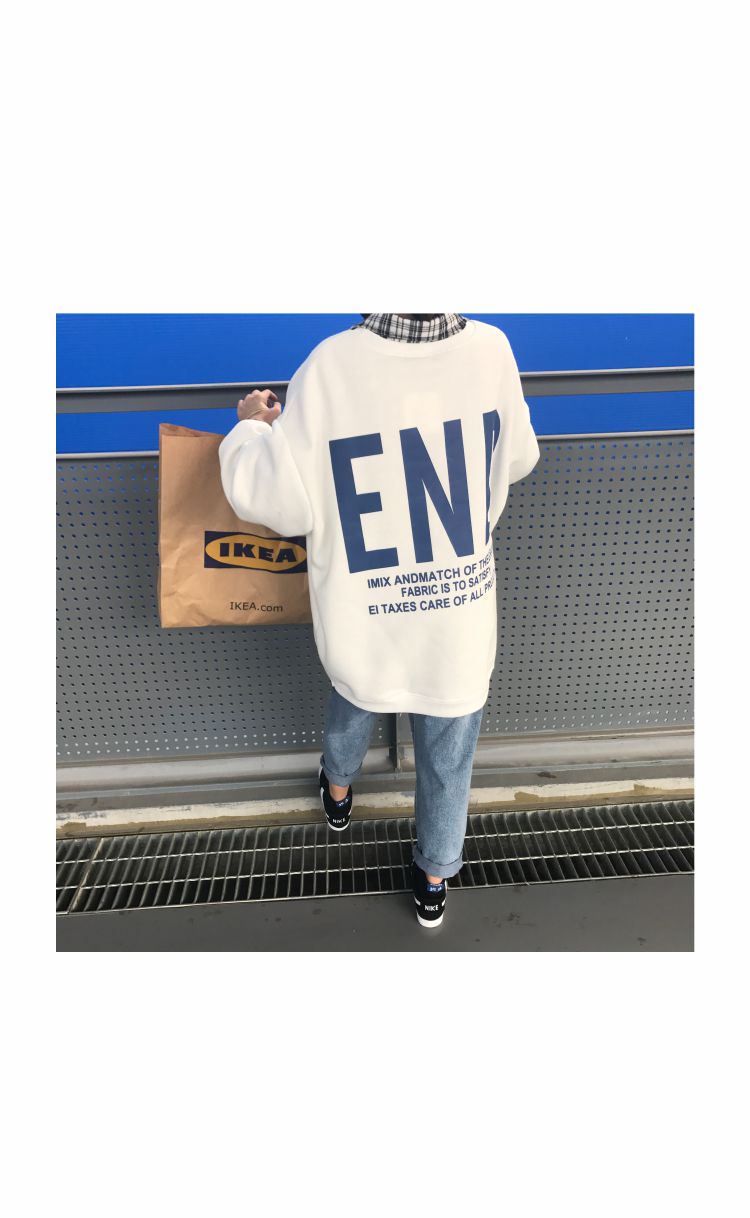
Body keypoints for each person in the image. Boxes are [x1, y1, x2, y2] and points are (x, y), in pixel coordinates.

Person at [219, 313, 540, 927]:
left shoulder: (330, 364)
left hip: (365, 607)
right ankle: (434, 880)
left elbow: (276, 500)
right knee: (449, 752)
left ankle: (338, 792)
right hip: (457, 611)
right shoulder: (492, 349)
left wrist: (250, 429)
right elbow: (518, 456)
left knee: (356, 694)